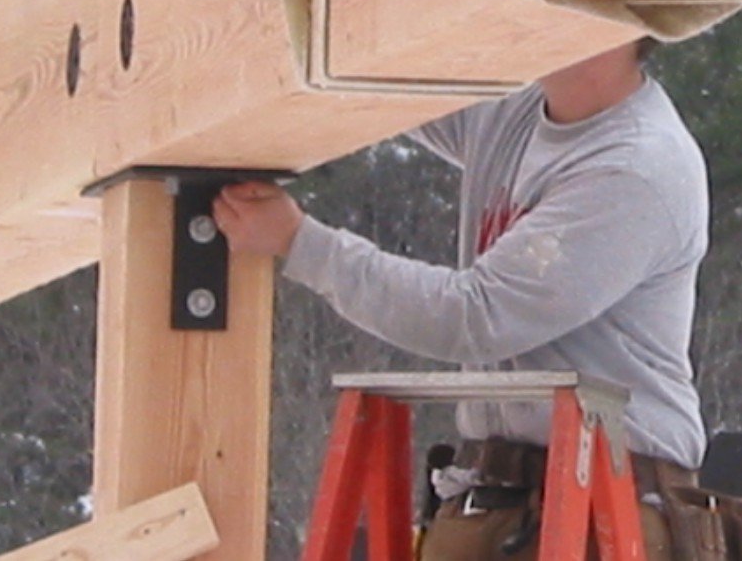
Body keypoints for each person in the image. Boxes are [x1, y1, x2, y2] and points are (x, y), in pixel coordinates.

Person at [215, 36, 711, 559]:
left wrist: (303, 244)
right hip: (503, 501)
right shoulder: (518, 114)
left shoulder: (635, 167)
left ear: (620, 32)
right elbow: (392, 82)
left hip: (607, 515)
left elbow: (474, 317)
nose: (529, 17)